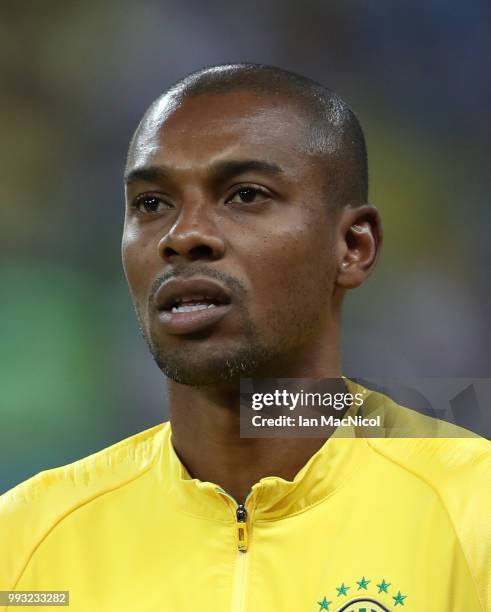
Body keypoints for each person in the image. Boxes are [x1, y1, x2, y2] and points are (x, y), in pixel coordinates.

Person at [1, 64, 489, 612]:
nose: (182, 235)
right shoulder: (25, 544)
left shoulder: (475, 516)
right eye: (151, 204)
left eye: (245, 195)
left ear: (353, 247)